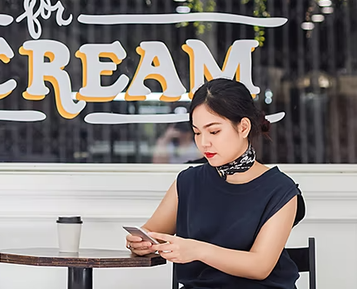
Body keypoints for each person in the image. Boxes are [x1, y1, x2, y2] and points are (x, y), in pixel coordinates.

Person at [126, 78, 306, 288]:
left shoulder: (280, 189)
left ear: (243, 127)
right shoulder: (188, 182)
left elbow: (260, 266)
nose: (204, 142)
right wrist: (138, 243)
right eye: (197, 132)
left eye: (214, 131)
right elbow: (151, 233)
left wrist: (197, 250)